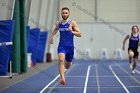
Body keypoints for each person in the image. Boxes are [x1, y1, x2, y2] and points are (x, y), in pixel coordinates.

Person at [49, 7, 81, 85]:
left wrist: (72, 31)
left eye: (66, 13)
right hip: (62, 46)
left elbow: (80, 34)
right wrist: (52, 36)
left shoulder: (72, 23)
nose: (64, 14)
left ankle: (69, 62)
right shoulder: (58, 23)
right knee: (61, 59)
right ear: (61, 13)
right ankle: (62, 78)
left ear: (69, 14)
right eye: (63, 13)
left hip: (70, 47)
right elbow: (56, 29)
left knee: (67, 66)